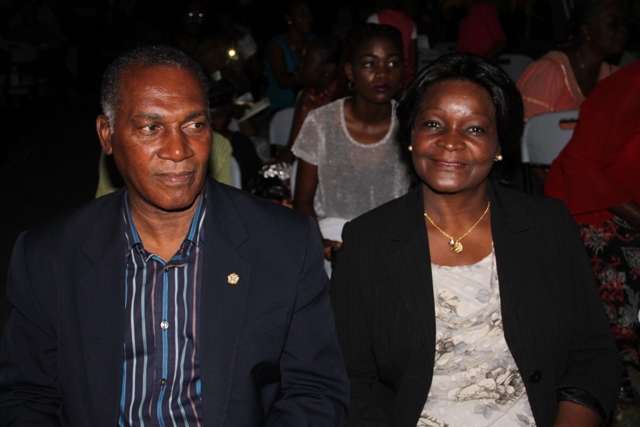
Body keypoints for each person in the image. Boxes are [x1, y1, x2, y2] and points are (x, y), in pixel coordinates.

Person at [0, 45, 349, 426]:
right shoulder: (49, 255)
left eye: (194, 125)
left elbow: (315, 391)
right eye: (151, 127)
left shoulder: (283, 244)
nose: (179, 149)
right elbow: (26, 395)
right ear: (107, 134)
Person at [331, 53, 621, 426]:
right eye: (434, 123)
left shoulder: (547, 225)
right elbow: (351, 380)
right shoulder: (367, 241)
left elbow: (593, 354)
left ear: (500, 145)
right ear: (411, 136)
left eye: (475, 129)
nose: (450, 142)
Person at [545, 60, 640, 402]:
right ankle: (611, 365)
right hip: (588, 205)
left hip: (628, 204)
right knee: (622, 256)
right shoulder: (631, 88)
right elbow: (580, 165)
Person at [292, 24, 411, 269]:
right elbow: (302, 200)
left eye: (392, 63)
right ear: (349, 71)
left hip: (393, 244)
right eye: (369, 64)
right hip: (332, 243)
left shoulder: (412, 125)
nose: (382, 74)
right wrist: (319, 243)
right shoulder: (321, 123)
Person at [517, 0, 627, 121]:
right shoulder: (547, 73)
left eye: (623, 23)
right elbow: (528, 134)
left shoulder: (615, 77)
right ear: (587, 31)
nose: (623, 30)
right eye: (613, 24)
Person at [276, 34, 342, 164]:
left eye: (307, 60)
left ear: (328, 68)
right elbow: (293, 146)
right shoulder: (306, 95)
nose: (299, 64)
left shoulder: (341, 100)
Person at [264, 0, 314, 117]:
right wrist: (307, 75)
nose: (309, 18)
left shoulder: (314, 41)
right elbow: (283, 81)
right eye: (302, 15)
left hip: (310, 103)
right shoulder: (277, 45)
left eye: (309, 14)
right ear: (289, 18)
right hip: (283, 106)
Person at [367, 0, 419, 84]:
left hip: (382, 72)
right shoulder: (410, 21)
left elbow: (368, 49)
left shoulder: (376, 17)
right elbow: (413, 54)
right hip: (404, 74)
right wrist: (412, 76)